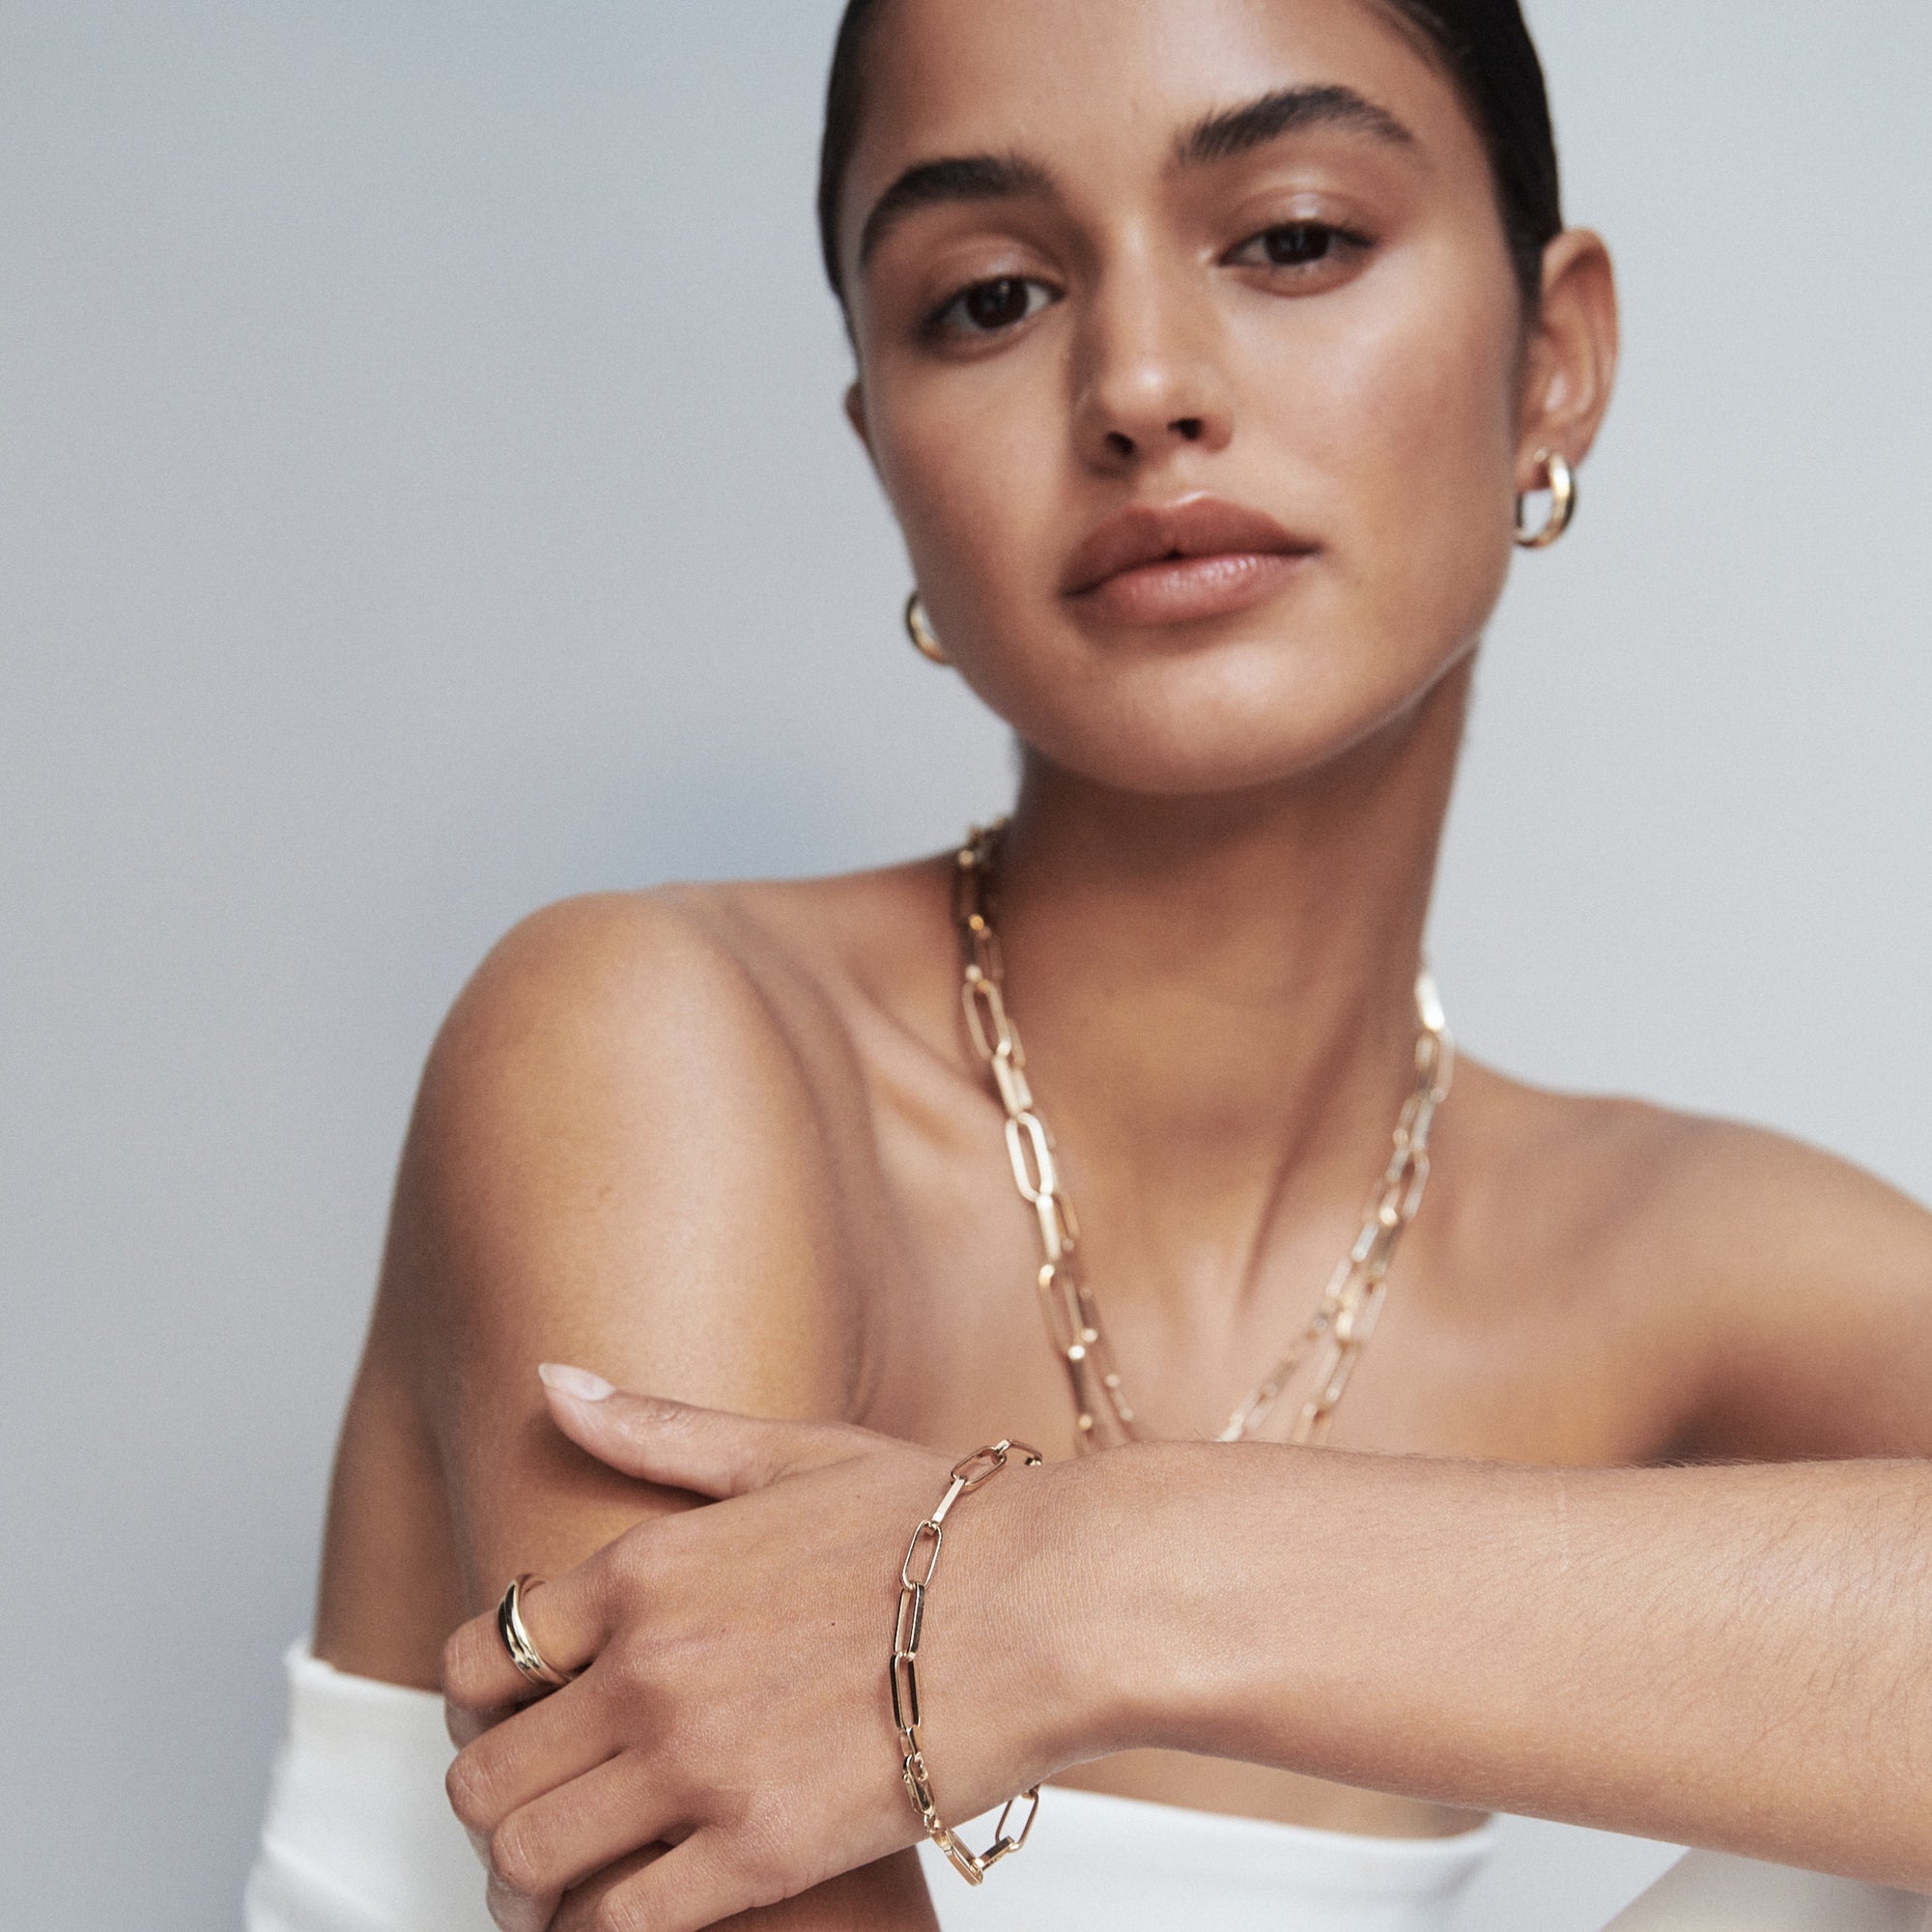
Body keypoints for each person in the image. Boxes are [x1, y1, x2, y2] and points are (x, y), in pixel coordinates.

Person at [247, 2, 1932, 1929]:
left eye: (1291, 239)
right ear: (885, 448)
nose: (1139, 385)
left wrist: (1081, 1583)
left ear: (1552, 361)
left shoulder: (1666, 1259)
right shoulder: (650, 1045)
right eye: (989, 300)